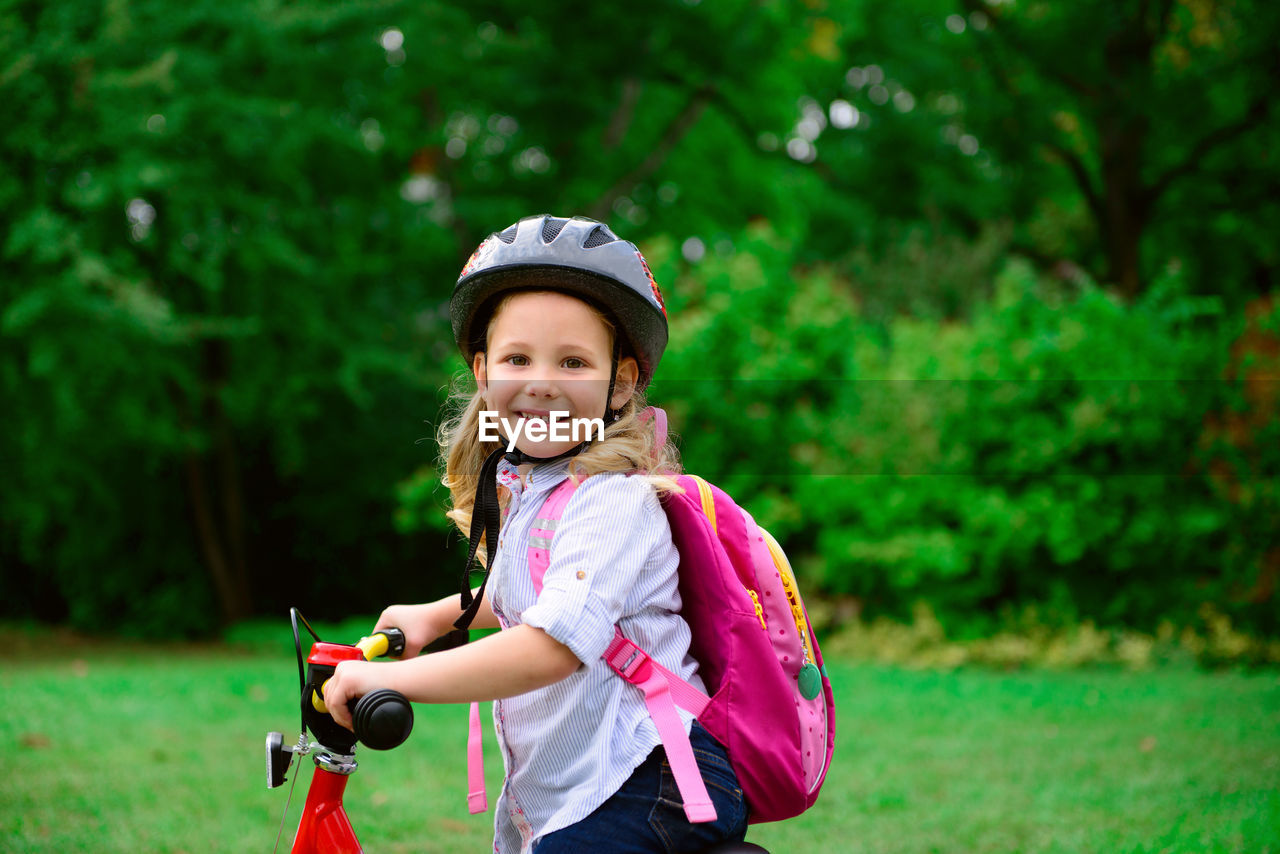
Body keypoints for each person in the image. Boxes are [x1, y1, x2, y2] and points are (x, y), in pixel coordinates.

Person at [322, 215, 749, 853]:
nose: (543, 381)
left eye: (573, 361)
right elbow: (532, 592)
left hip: (651, 776)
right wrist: (437, 617)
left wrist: (395, 682)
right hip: (586, 782)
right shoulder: (533, 491)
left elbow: (553, 643)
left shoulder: (615, 500)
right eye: (518, 357)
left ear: (622, 382)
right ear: (483, 371)